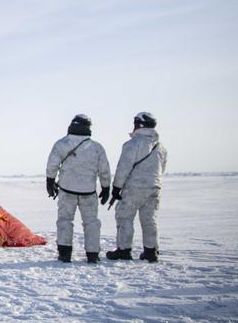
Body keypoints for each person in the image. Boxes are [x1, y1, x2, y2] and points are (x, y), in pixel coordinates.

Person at [46, 114, 111, 264]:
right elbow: (104, 170)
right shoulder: (96, 147)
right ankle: (93, 254)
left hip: (67, 190)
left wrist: (50, 182)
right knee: (91, 223)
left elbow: (52, 165)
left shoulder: (61, 144)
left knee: (65, 221)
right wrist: (106, 187)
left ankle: (64, 253)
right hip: (88, 192)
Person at [107, 112, 168, 263]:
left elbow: (123, 168)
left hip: (134, 188)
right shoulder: (161, 147)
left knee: (125, 217)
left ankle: (124, 250)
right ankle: (151, 252)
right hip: (155, 188)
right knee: (150, 219)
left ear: (139, 125)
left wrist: (116, 188)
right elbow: (163, 168)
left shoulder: (132, 144)